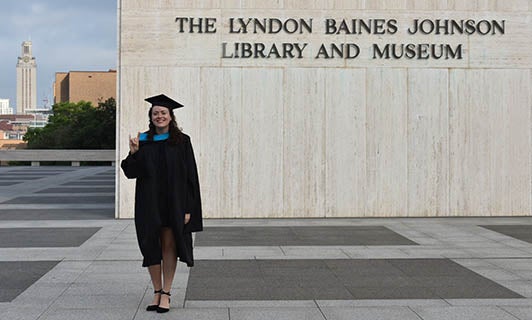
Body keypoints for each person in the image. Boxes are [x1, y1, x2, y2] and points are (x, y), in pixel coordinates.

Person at [121, 94, 203, 313]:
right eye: (156, 113)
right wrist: (133, 153)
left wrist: (188, 208)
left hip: (174, 202)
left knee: (169, 245)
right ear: (151, 116)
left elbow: (190, 176)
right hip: (149, 202)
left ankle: (166, 293)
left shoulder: (182, 141)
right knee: (151, 245)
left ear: (170, 116)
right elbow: (131, 173)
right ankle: (156, 291)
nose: (159, 116)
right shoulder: (144, 141)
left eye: (163, 113)